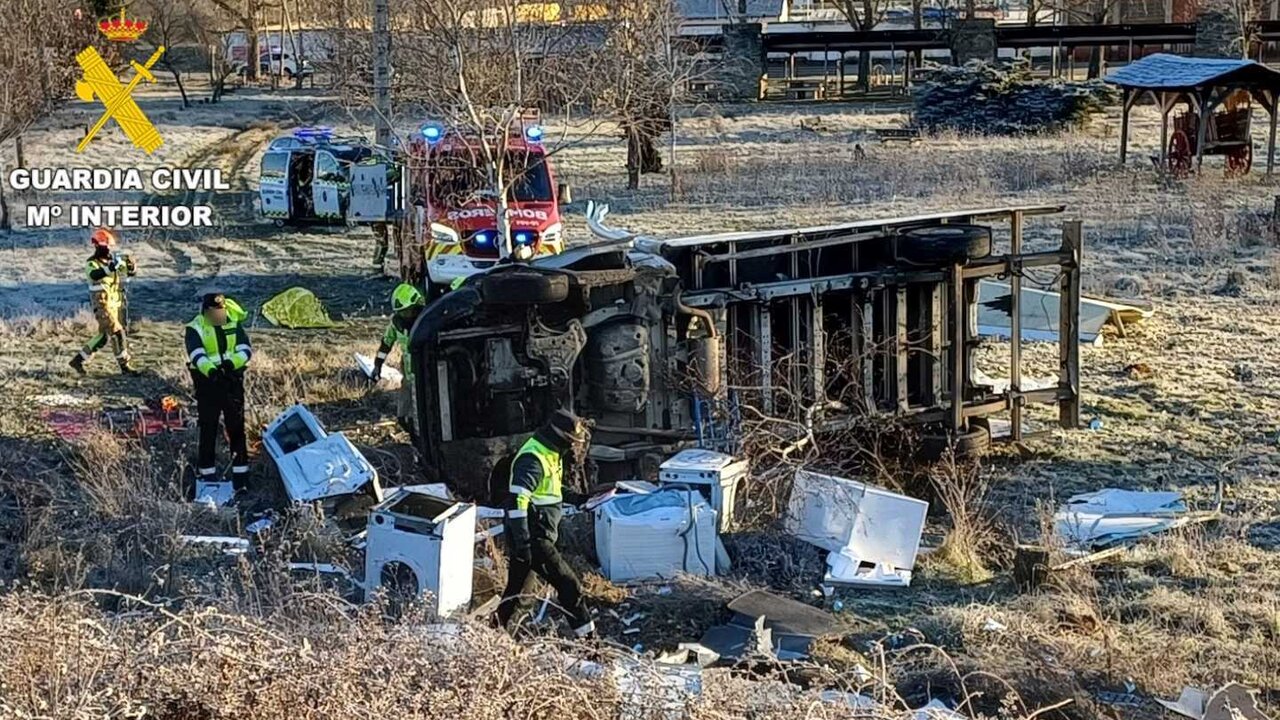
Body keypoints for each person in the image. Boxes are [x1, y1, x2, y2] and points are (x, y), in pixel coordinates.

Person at [497, 408, 595, 638]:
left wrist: (578, 498)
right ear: (561, 437)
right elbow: (518, 499)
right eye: (572, 441)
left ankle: (495, 636)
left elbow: (549, 489)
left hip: (536, 534)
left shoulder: (550, 453)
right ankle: (590, 644)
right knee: (569, 585)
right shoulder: (533, 457)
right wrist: (524, 543)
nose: (575, 446)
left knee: (519, 592)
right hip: (534, 537)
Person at [185, 293, 252, 492]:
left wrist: (231, 365)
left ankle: (241, 479)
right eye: (215, 313)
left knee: (237, 429)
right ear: (206, 313)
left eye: (221, 312)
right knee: (208, 428)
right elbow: (196, 354)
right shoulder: (195, 328)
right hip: (207, 384)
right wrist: (212, 372)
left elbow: (245, 349)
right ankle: (207, 476)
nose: (219, 316)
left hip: (232, 381)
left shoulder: (232, 321)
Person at [70, 228, 137, 375]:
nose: (109, 250)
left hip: (113, 305)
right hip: (102, 306)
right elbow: (95, 275)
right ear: (97, 246)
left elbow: (129, 273)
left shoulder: (113, 261)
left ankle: (78, 360)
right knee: (118, 333)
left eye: (109, 246)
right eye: (106, 246)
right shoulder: (91, 264)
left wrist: (132, 267)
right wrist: (110, 268)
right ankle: (125, 366)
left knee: (103, 338)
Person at [371, 283, 425, 441]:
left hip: (425, 377)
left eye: (406, 311)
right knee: (403, 417)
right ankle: (414, 439)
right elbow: (386, 344)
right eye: (400, 312)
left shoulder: (426, 320)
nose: (404, 315)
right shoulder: (396, 324)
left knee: (424, 416)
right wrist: (377, 365)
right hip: (408, 377)